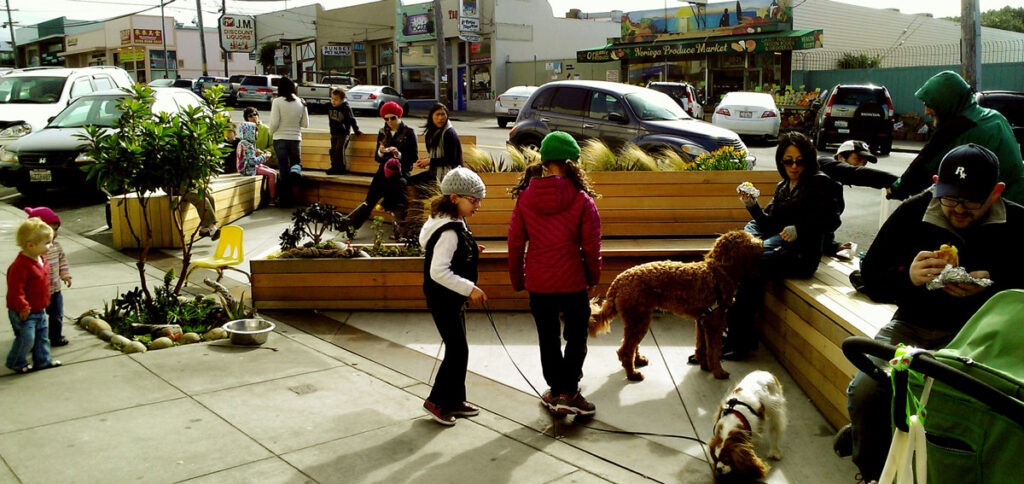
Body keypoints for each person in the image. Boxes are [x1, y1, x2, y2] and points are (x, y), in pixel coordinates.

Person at [835, 144, 1024, 482]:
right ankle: (872, 469)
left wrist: (993, 287)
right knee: (867, 389)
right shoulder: (913, 212)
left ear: (996, 193)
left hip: (984, 339)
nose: (959, 210)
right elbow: (871, 278)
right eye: (950, 199)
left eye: (972, 201)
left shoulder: (1018, 224)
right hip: (913, 329)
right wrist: (907, 277)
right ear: (936, 184)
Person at [724, 131, 843, 360]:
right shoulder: (783, 186)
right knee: (741, 263)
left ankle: (740, 341)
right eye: (788, 161)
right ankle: (736, 337)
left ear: (809, 159)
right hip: (780, 251)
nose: (794, 166)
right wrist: (752, 205)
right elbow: (769, 224)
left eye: (800, 160)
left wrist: (801, 229)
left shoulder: (819, 183)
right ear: (781, 161)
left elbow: (832, 220)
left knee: (750, 267)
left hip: (802, 256)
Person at [507, 131, 602, 416]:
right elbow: (591, 245)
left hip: (539, 280)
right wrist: (592, 277)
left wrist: (517, 279)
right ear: (573, 162)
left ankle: (556, 391)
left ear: (545, 162)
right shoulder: (583, 199)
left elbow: (514, 243)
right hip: (572, 279)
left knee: (547, 337)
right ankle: (569, 392)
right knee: (576, 337)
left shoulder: (525, 198)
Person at [888, 70, 1024, 205]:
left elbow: (921, 170)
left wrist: (896, 189)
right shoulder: (994, 117)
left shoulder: (958, 128)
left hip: (997, 209)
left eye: (930, 104)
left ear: (945, 102)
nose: (926, 111)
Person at [419, 167, 488, 426]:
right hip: (443, 298)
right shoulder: (448, 230)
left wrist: (471, 248)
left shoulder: (452, 220)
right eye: (473, 200)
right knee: (457, 350)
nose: (477, 205)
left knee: (459, 349)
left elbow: (456, 247)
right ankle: (436, 402)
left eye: (479, 199)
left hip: (450, 297)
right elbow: (438, 271)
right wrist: (470, 288)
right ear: (454, 198)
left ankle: (455, 400)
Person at [342, 101, 417, 233]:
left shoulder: (409, 132)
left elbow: (413, 157)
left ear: (399, 116)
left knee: (397, 197)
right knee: (370, 199)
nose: (389, 121)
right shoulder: (383, 132)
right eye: (386, 118)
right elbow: (377, 158)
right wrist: (381, 152)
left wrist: (398, 154)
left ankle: (401, 232)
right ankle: (349, 227)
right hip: (383, 171)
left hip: (400, 173)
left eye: (392, 117)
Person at [818, 139, 898, 257]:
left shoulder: (834, 185)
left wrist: (834, 246)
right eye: (858, 159)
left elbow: (821, 226)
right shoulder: (823, 163)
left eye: (864, 162)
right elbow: (855, 173)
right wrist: (894, 182)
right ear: (840, 157)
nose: (862, 165)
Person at [6, 218, 61, 373]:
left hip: (39, 309)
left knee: (42, 337)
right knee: (26, 339)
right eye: (47, 243)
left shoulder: (41, 259)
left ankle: (43, 360)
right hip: (25, 311)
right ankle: (16, 361)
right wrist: (23, 306)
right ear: (30, 245)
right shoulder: (20, 266)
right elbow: (15, 290)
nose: (50, 245)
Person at [23, 207, 71, 348]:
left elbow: (63, 261)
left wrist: (65, 275)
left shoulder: (56, 246)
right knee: (36, 318)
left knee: (57, 315)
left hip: (55, 290)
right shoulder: (32, 249)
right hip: (36, 292)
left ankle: (56, 337)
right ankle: (35, 340)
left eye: (56, 229)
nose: (54, 234)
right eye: (50, 229)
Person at [268, 77, 309, 208]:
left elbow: (274, 122)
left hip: (280, 138)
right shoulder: (300, 102)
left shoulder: (277, 102)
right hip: (296, 139)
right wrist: (305, 107)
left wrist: (271, 133)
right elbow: (305, 124)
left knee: (283, 169)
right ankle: (296, 197)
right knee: (296, 166)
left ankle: (284, 200)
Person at [413, 103, 463, 186]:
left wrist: (430, 161)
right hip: (435, 172)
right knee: (408, 182)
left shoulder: (449, 133)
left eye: (443, 114)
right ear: (431, 116)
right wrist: (425, 161)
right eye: (437, 115)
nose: (440, 118)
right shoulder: (431, 134)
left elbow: (451, 159)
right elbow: (434, 155)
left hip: (451, 175)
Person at [236, 121, 278, 202]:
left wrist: (257, 152)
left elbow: (248, 157)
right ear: (249, 132)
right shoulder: (248, 145)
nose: (257, 133)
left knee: (272, 171)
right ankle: (272, 198)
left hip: (246, 167)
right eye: (255, 131)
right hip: (248, 169)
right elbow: (252, 161)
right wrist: (264, 157)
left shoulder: (244, 142)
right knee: (272, 174)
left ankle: (271, 196)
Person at [326, 88, 362, 175]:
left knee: (339, 149)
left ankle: (341, 168)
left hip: (343, 133)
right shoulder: (330, 106)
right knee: (333, 150)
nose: (333, 101)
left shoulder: (346, 108)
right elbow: (318, 106)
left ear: (342, 100)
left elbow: (352, 120)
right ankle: (334, 167)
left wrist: (356, 130)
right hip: (333, 133)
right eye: (332, 99)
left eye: (336, 100)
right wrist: (306, 104)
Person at [381, 158, 410, 239]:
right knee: (399, 221)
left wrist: (383, 205)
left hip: (397, 206)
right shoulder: (402, 180)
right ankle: (399, 236)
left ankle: (402, 237)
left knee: (398, 222)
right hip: (404, 205)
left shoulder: (390, 183)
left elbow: (388, 196)